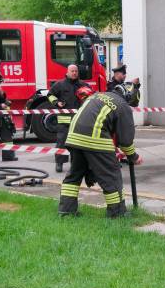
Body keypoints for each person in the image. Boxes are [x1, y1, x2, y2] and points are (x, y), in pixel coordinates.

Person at [58, 84, 143, 218]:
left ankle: (66, 211)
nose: (130, 105)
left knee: (74, 175)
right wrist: (133, 156)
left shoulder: (97, 95)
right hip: (95, 139)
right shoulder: (123, 106)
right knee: (111, 177)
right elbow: (125, 140)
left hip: (73, 137)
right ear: (129, 97)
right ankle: (117, 213)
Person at [46, 64, 91, 172]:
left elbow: (91, 96)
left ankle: (75, 164)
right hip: (64, 120)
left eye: (76, 71)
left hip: (79, 119)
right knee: (62, 143)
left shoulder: (83, 85)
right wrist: (57, 103)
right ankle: (59, 163)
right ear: (67, 72)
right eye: (72, 71)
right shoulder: (60, 84)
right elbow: (50, 95)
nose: (74, 73)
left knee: (79, 143)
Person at [0, 73, 18, 162]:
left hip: (3, 117)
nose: (0, 84)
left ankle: (8, 156)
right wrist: (1, 105)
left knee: (7, 136)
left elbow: (4, 100)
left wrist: (6, 102)